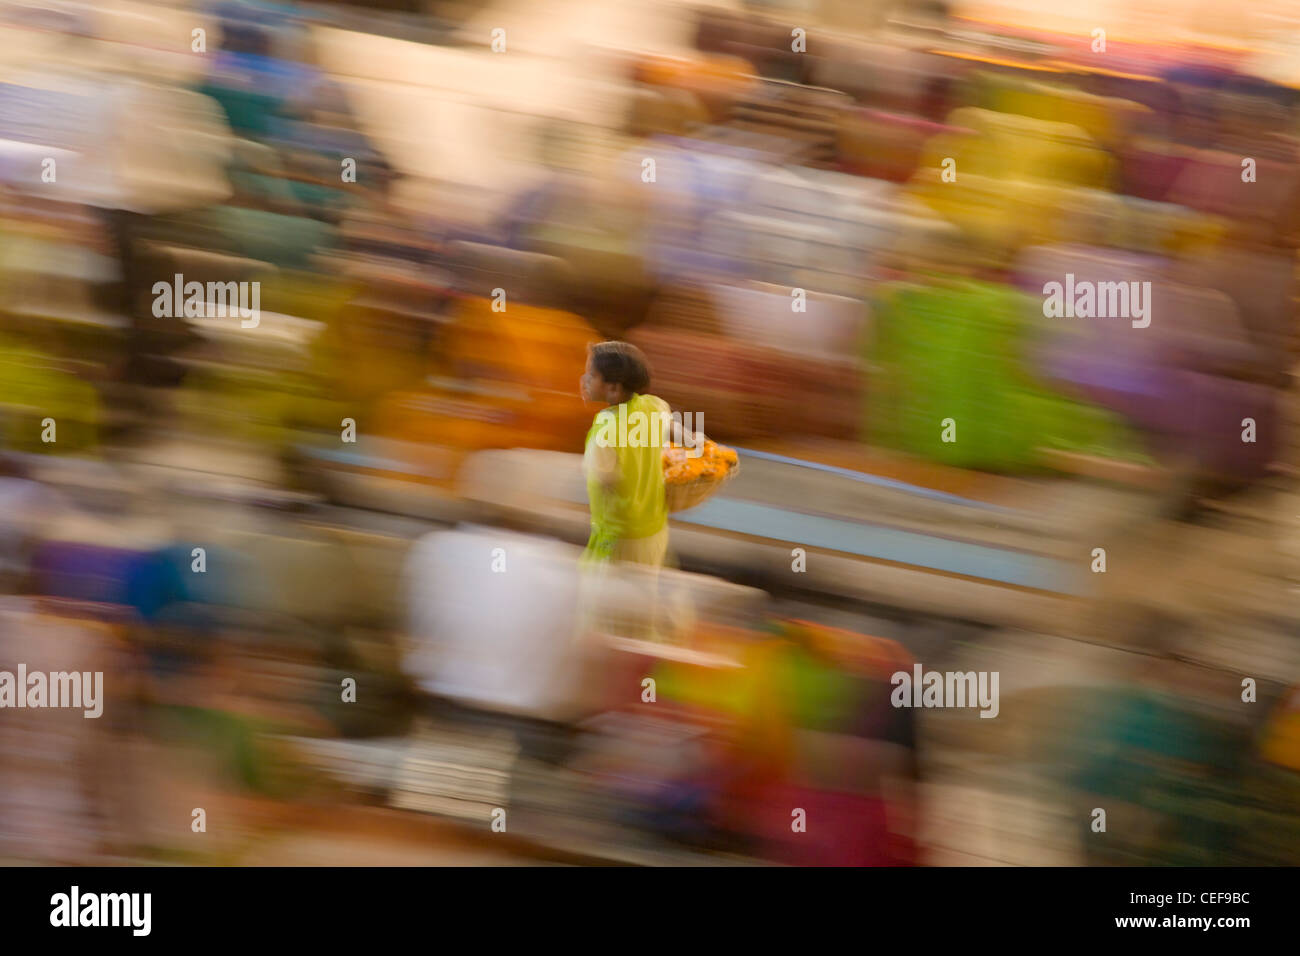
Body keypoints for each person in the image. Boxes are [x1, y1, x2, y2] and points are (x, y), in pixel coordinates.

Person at [579, 341, 676, 568]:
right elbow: (667, 429)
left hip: (618, 539)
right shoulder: (655, 406)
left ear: (613, 388)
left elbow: (604, 480)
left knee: (600, 600)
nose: (584, 380)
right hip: (654, 531)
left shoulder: (605, 431)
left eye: (591, 375)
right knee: (644, 598)